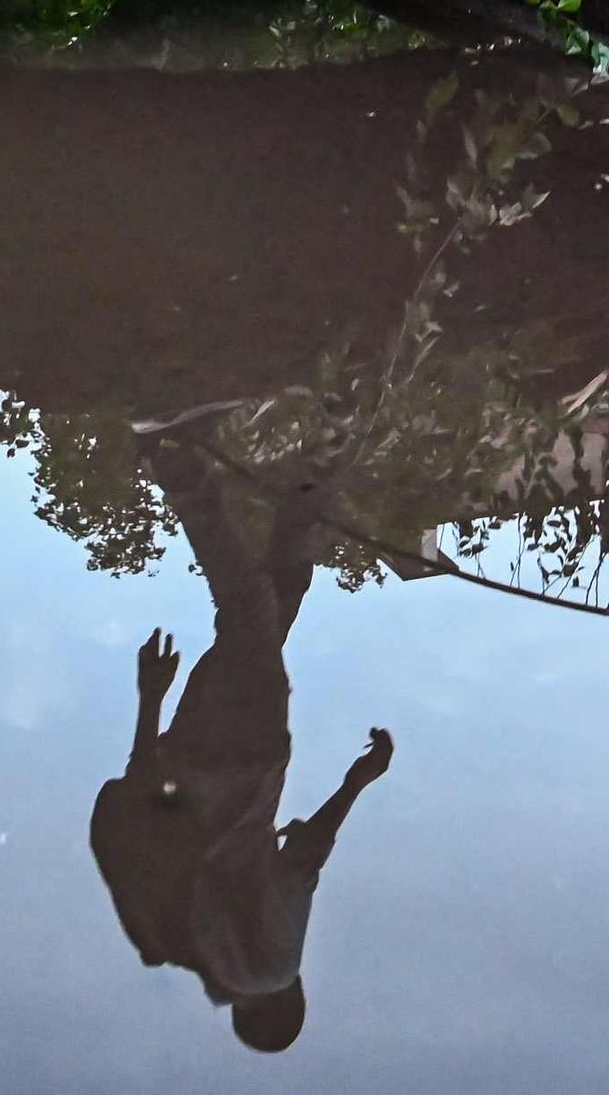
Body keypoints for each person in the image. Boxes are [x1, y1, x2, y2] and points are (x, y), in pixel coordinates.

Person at [89, 439, 394, 1050]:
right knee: (279, 595)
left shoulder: (269, 968)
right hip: (191, 745)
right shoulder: (185, 943)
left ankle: (174, 453)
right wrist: (151, 700)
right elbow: (147, 806)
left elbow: (303, 858)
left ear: (284, 1005)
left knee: (249, 607)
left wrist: (357, 783)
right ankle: (319, 460)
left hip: (244, 752)